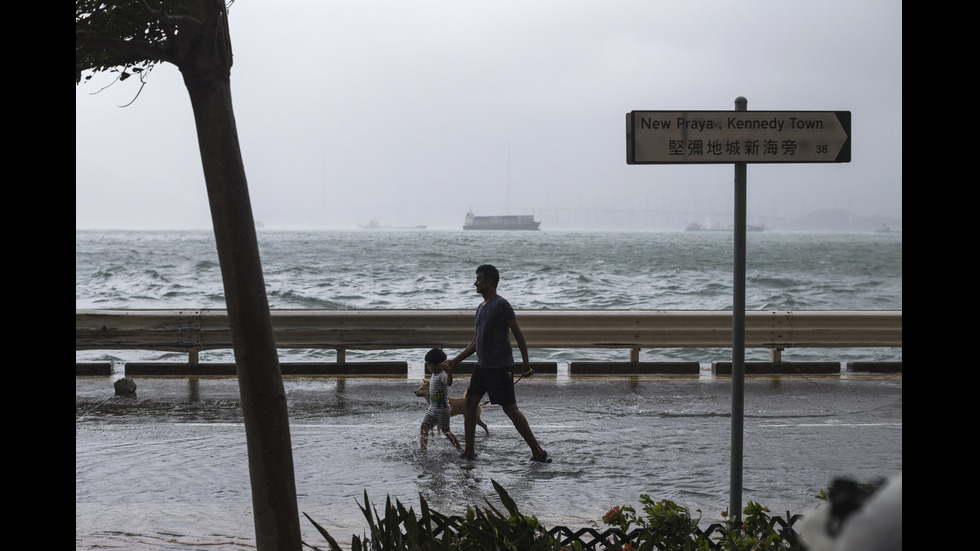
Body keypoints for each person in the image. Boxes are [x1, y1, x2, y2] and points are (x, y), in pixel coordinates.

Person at [441, 264, 549, 462]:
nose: (475, 283)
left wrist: (526, 364)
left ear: (489, 282)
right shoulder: (481, 308)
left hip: (500, 367)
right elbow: (475, 341)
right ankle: (469, 452)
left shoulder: (502, 305)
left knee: (510, 409)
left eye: (479, 280)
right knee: (470, 405)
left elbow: (519, 334)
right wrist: (455, 361)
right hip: (482, 366)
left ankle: (538, 451)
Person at [419, 347, 461, 451]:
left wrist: (450, 372)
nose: (428, 367)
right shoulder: (434, 374)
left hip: (442, 410)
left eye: (429, 364)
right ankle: (423, 449)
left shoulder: (442, 375)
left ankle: (459, 448)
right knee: (424, 427)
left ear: (438, 365)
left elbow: (449, 383)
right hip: (432, 409)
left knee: (446, 431)